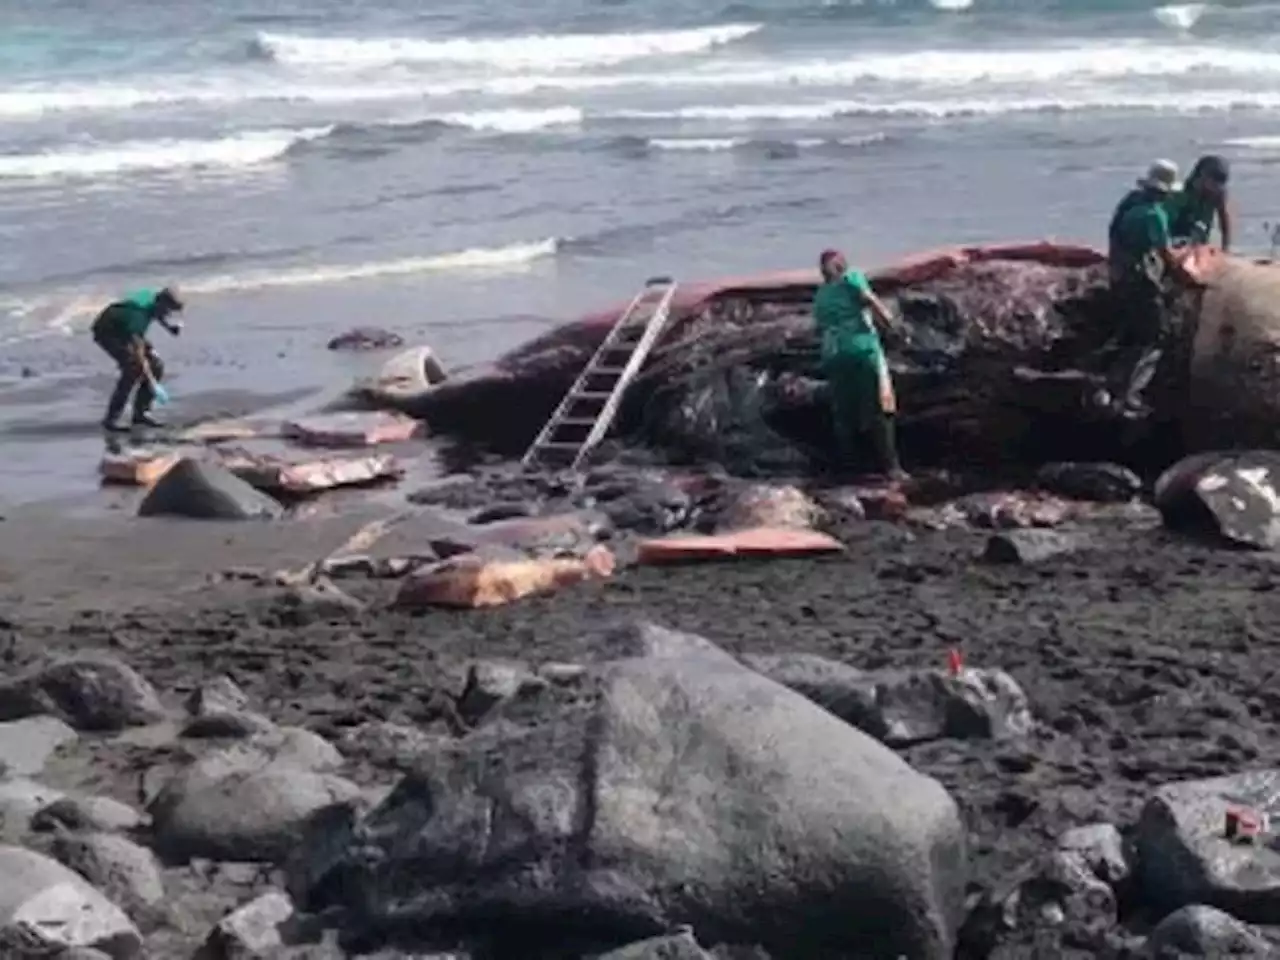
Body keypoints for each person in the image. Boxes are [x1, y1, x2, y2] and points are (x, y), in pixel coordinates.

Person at [1105, 161, 1200, 417]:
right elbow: (1166, 254)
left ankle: (1109, 386)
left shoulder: (1130, 203)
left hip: (1118, 274)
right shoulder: (1154, 215)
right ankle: (1129, 395)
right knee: (1155, 336)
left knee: (1129, 333)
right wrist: (1191, 280)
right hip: (1139, 281)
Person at [812, 249, 908, 481]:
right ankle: (892, 467)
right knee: (881, 403)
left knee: (844, 409)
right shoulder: (851, 277)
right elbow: (869, 298)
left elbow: (819, 327)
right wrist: (892, 324)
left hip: (833, 354)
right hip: (862, 348)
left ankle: (849, 466)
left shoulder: (821, 295)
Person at [90, 286, 183, 431]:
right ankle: (111, 419)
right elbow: (138, 352)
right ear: (160, 303)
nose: (168, 314)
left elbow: (156, 313)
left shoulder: (149, 298)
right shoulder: (139, 318)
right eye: (167, 310)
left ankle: (141, 413)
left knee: (157, 365)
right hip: (107, 331)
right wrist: (153, 383)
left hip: (124, 325)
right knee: (133, 368)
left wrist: (169, 327)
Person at [1168, 154, 1231, 250]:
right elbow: (1166, 223)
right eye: (1213, 182)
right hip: (1177, 240)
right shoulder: (1181, 194)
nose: (1216, 188)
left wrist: (1225, 247)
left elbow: (1224, 220)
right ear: (1202, 175)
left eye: (1220, 183)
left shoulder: (1218, 195)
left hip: (1200, 242)